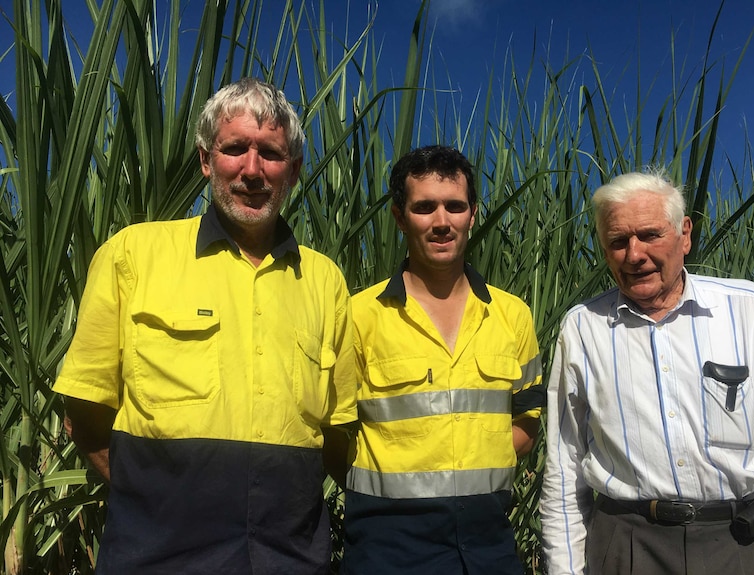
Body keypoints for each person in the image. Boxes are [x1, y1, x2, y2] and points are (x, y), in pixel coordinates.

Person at [53, 77, 356, 575]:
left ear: (295, 170)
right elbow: (85, 410)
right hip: (155, 559)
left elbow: (338, 434)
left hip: (291, 562)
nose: (252, 170)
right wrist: (153, 501)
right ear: (205, 159)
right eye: (235, 148)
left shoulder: (325, 282)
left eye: (272, 154)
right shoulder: (132, 256)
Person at [539, 167, 754, 574]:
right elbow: (564, 471)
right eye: (617, 241)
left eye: (649, 235)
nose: (634, 254)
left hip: (746, 546)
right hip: (629, 549)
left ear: (685, 234)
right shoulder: (582, 328)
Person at [339, 145, 544, 574]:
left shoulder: (512, 315)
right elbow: (334, 432)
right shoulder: (358, 315)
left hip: (490, 546)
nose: (441, 222)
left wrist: (478, 464)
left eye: (454, 206)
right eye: (424, 207)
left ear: (472, 213)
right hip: (387, 549)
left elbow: (528, 414)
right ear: (400, 217)